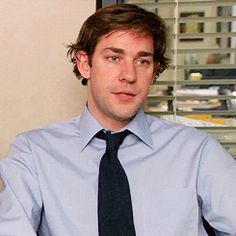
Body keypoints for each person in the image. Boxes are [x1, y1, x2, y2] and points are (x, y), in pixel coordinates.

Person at [0, 3, 236, 236]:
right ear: (85, 64)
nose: (129, 75)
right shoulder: (33, 153)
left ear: (154, 71)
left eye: (142, 61)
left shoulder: (197, 152)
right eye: (114, 58)